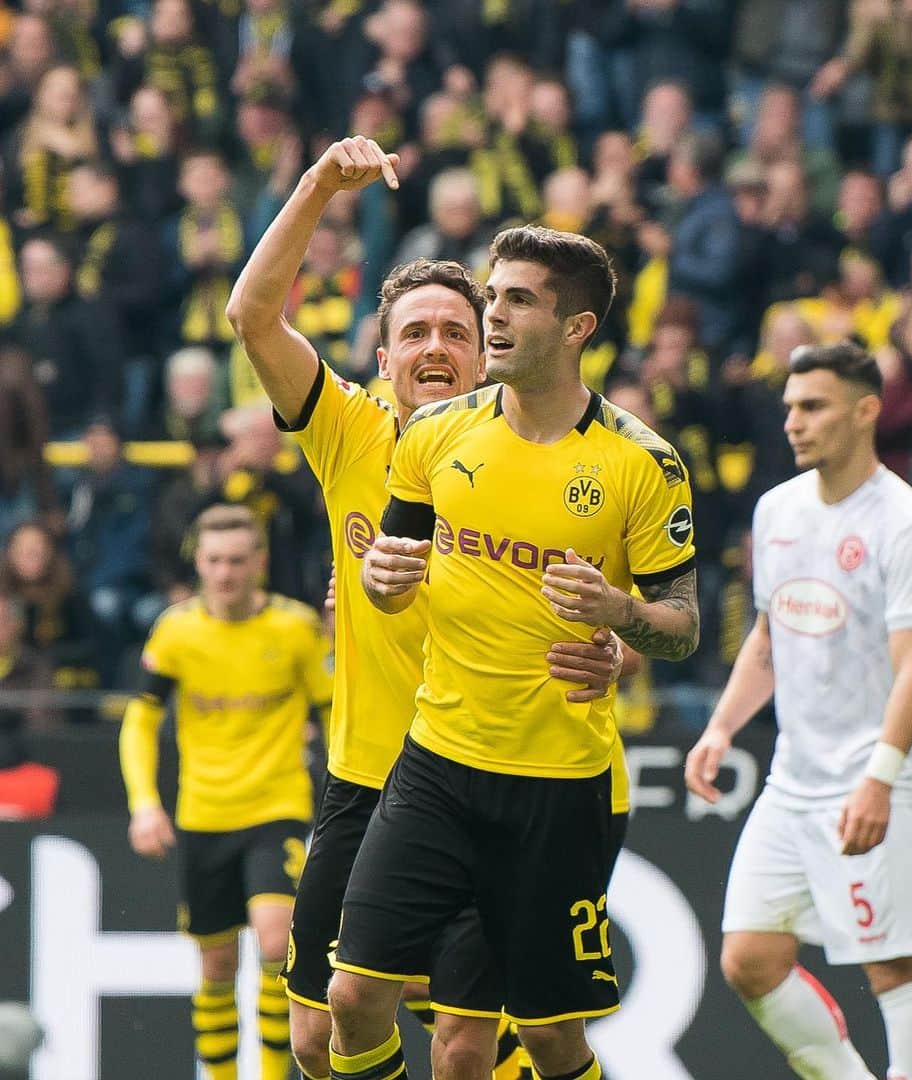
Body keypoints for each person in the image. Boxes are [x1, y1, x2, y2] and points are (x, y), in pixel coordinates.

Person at [227, 137, 625, 1080]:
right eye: (415, 333)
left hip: (496, 774)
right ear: (383, 357)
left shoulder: (555, 453)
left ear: (486, 350)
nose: (436, 347)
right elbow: (250, 313)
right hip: (368, 782)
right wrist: (324, 184)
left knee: (464, 1049)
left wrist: (617, 650)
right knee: (318, 1037)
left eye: (456, 329)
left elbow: (629, 604)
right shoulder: (348, 431)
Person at [344, 222, 700, 1080]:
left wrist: (617, 613)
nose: (491, 316)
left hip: (559, 787)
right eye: (491, 295)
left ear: (577, 328)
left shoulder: (641, 463)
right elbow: (391, 576)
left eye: (517, 301)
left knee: (547, 1040)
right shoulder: (432, 436)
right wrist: (378, 580)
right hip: (435, 763)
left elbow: (683, 624)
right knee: (354, 1000)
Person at [685, 341, 912, 1080]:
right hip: (793, 782)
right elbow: (771, 637)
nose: (795, 423)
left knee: (896, 968)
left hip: (876, 781)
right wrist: (721, 727)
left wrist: (880, 777)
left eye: (813, 407)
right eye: (789, 409)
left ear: (866, 411)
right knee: (749, 958)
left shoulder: (906, 524)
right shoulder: (778, 510)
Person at [118, 503, 334, 1080]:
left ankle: (270, 1076)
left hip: (277, 808)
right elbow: (139, 719)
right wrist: (144, 802)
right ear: (199, 563)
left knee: (273, 943)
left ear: (259, 562)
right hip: (203, 813)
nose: (225, 573)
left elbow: (334, 711)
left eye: (237, 560)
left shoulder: (294, 628)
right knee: (215, 965)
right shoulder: (177, 631)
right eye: (214, 561)